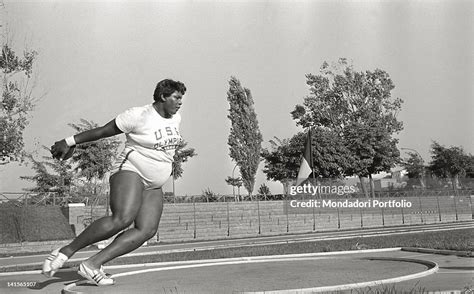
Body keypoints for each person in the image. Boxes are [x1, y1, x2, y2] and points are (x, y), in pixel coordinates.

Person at [42, 79, 186, 286]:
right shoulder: (138, 116)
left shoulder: (176, 118)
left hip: (154, 184)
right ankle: (66, 251)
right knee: (122, 219)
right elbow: (103, 131)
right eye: (177, 97)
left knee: (147, 230)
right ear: (163, 96)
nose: (180, 103)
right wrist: (69, 141)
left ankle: (91, 264)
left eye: (182, 98)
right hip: (131, 171)